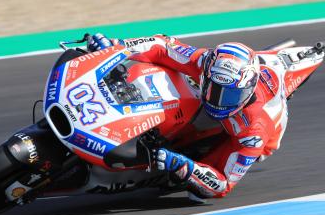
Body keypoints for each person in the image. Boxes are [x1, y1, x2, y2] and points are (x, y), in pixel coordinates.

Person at [86, 33, 288, 201]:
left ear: (248, 90)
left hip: (253, 133)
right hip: (212, 91)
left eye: (230, 95)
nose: (219, 100)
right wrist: (116, 48)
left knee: (196, 190)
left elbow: (222, 185)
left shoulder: (253, 132)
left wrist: (182, 165)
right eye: (214, 89)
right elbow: (162, 45)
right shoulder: (205, 61)